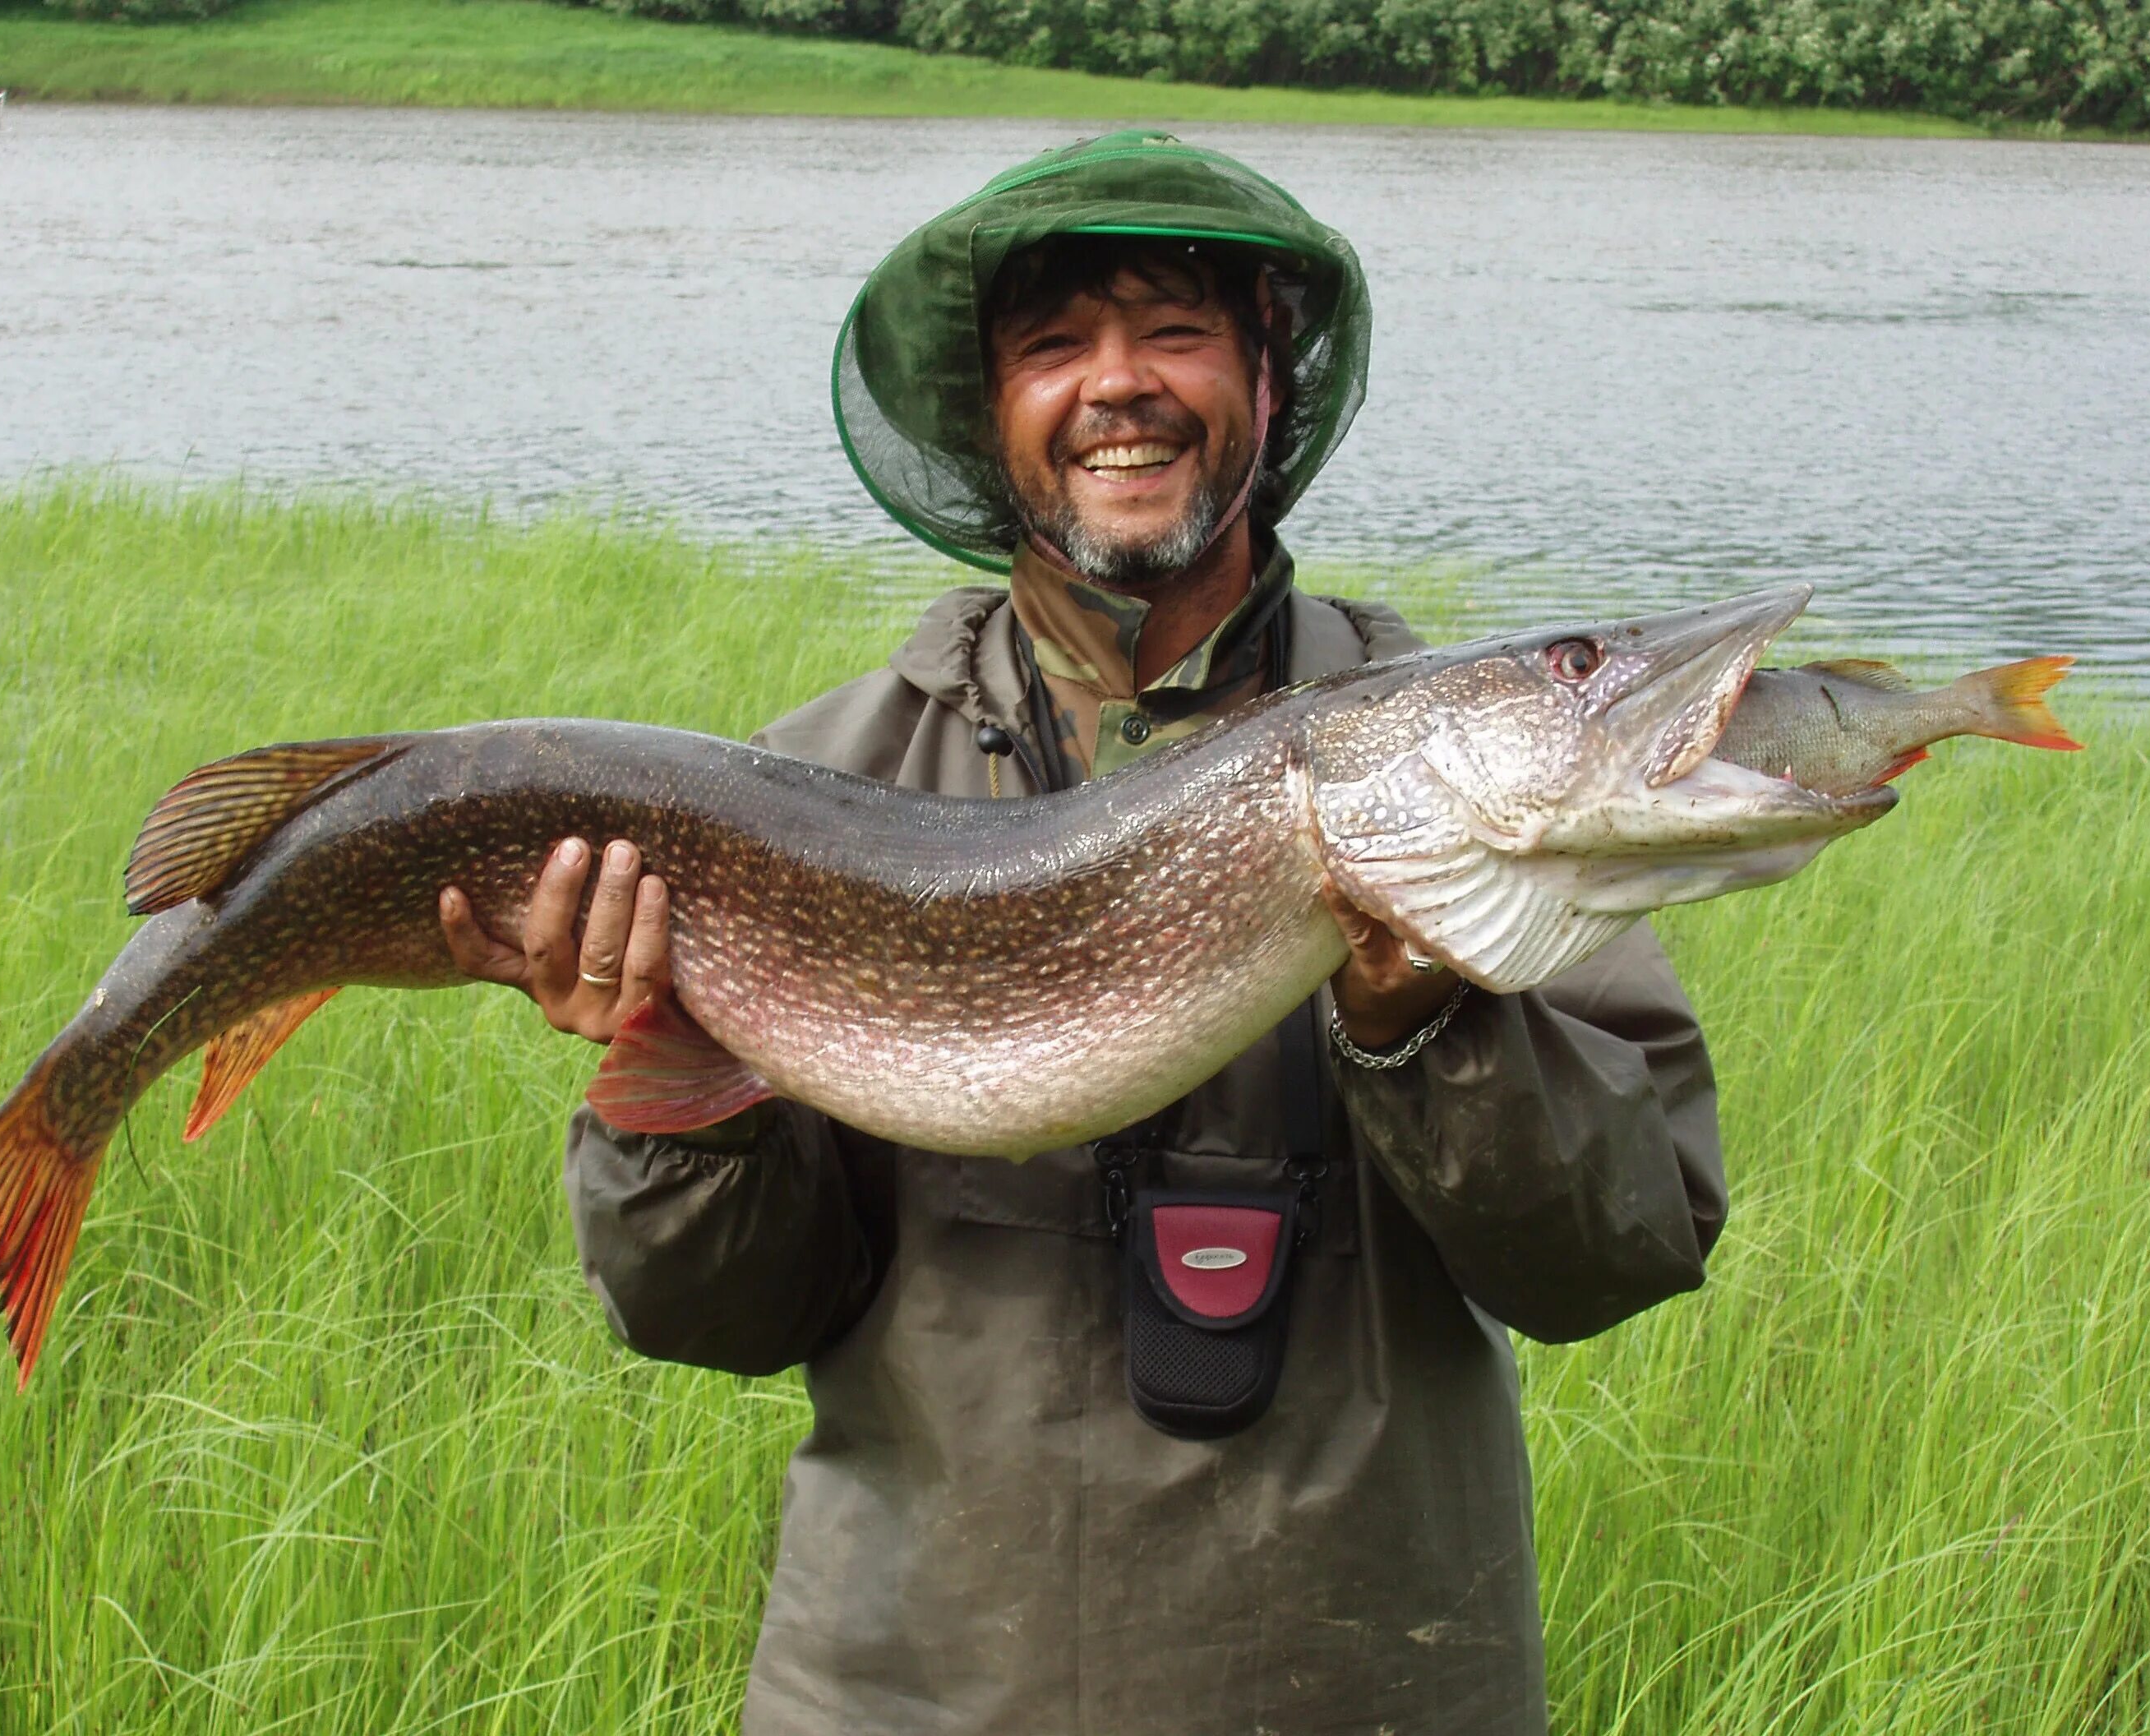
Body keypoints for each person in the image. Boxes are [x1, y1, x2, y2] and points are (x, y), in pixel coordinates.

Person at [439, 132, 1723, 1735]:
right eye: (1054, 345)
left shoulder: (1452, 763)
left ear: (1267, 375)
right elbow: (710, 1316)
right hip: (907, 1691)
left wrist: (1428, 1022)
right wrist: (676, 1072)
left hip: (1366, 1688)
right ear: (994, 421)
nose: (1117, 383)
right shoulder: (819, 783)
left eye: (1173, 329)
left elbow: (1621, 1250)